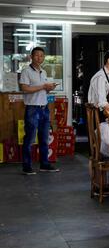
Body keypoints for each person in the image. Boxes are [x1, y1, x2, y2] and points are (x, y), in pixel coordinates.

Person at [20, 47, 60, 175]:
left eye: (42, 56)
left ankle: (45, 164)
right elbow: (25, 88)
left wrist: (49, 87)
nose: (39, 58)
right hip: (32, 108)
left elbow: (43, 90)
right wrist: (43, 86)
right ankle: (27, 166)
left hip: (44, 107)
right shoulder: (26, 71)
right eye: (36, 55)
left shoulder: (43, 72)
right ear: (31, 56)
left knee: (44, 138)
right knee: (30, 138)